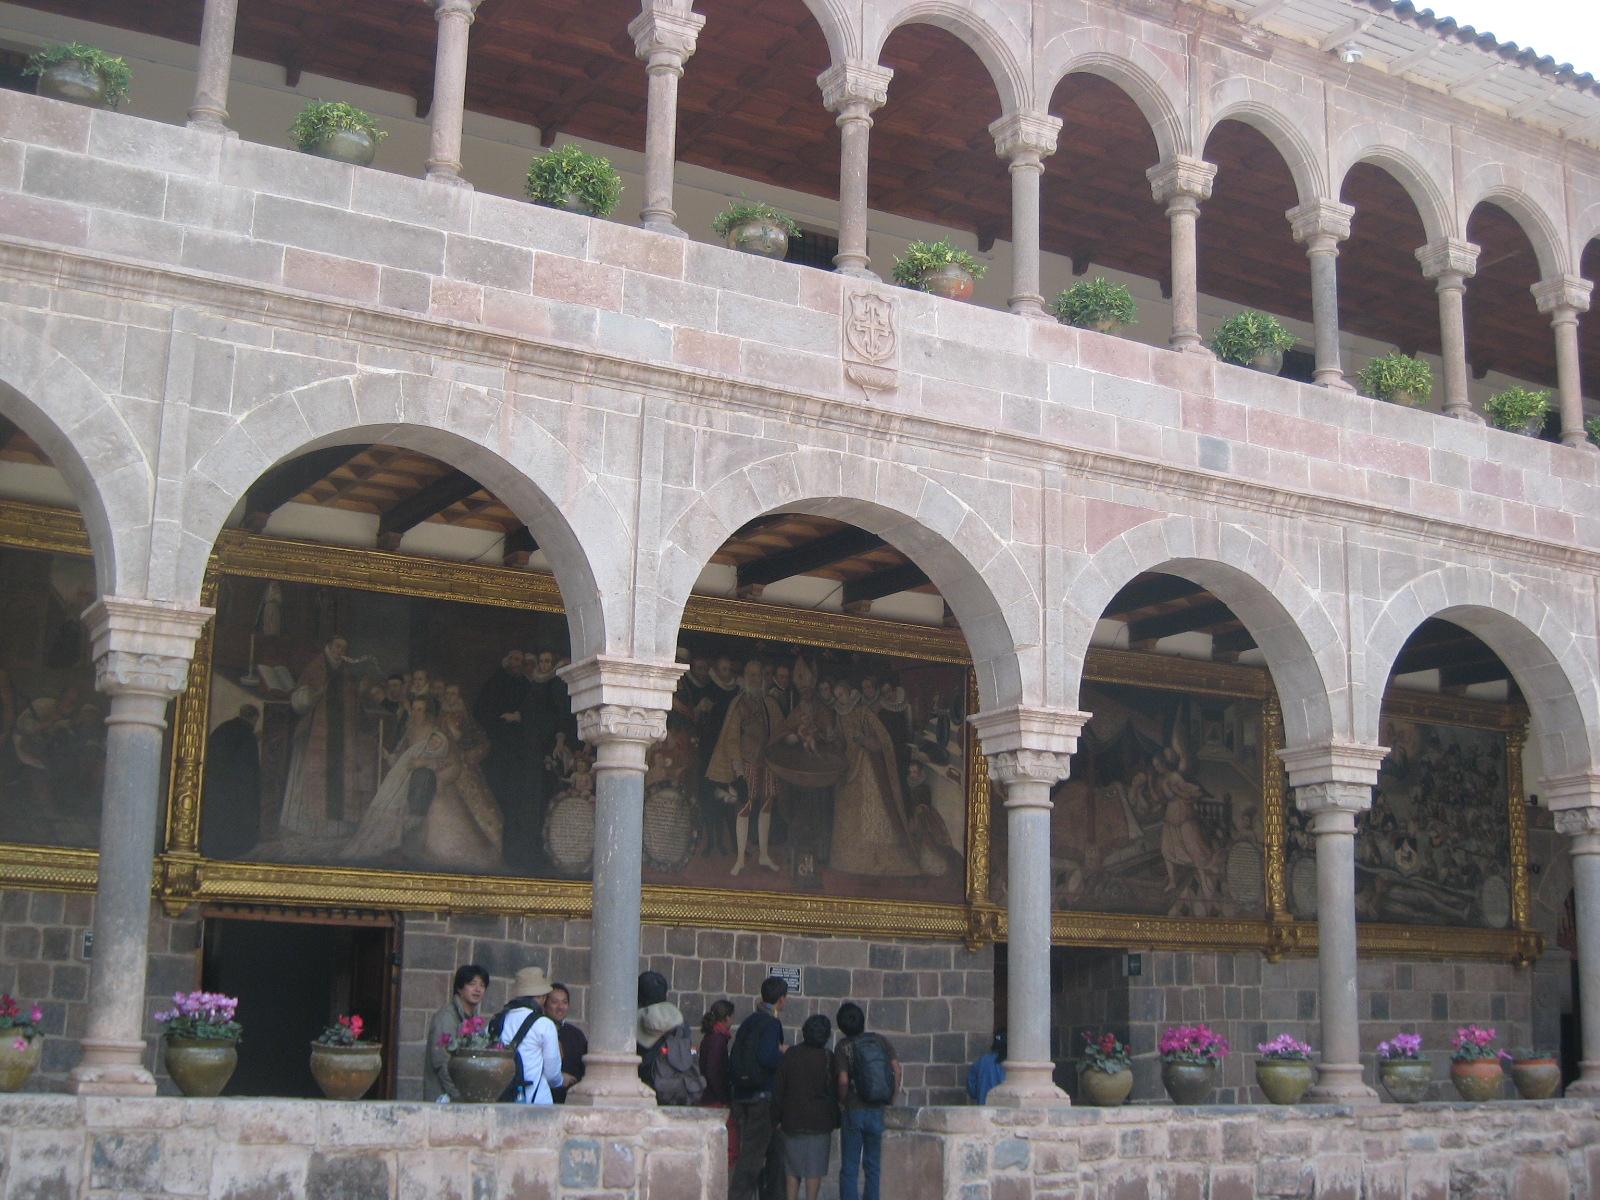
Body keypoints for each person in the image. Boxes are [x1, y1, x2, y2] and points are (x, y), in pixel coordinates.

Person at [729, 975, 788, 1200]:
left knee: (775, 1152)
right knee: (752, 1157)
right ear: (781, 999)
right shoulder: (771, 1023)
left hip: (743, 1094)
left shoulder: (750, 1021)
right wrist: (783, 1053)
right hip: (761, 1098)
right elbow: (767, 1057)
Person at [833, 1002, 900, 1200]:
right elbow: (896, 1069)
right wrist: (892, 1097)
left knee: (850, 1167)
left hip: (854, 1109)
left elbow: (843, 1080)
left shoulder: (843, 1046)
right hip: (878, 1108)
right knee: (873, 1166)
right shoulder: (880, 1040)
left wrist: (842, 1101)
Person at [773, 1014, 838, 1200]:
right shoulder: (828, 1057)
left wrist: (776, 1117)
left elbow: (779, 1088)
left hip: (792, 1119)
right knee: (814, 1170)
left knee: (792, 1169)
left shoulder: (791, 1054)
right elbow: (833, 1091)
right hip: (820, 1121)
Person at [497, 966, 564, 1105]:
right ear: (541, 997)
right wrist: (561, 1081)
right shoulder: (544, 1024)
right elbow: (552, 1074)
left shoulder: (498, 1020)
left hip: (502, 1100)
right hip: (537, 1102)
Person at [424, 964, 488, 1102]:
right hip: (444, 1098)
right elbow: (441, 1062)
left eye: (482, 985)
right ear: (459, 988)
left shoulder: (474, 1019)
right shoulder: (446, 1017)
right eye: (472, 984)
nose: (478, 989)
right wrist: (459, 1096)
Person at [699, 999, 738, 1167]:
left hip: (709, 1096)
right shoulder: (718, 1039)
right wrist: (723, 1098)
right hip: (715, 1099)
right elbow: (713, 1070)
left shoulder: (711, 1037)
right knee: (730, 1146)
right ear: (727, 1018)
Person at [546, 982, 587, 1103]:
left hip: (571, 1100)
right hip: (544, 1099)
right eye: (554, 1002)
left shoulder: (576, 1035)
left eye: (564, 1002)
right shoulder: (538, 1031)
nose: (560, 1007)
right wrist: (559, 1078)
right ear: (544, 1004)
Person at [966, 1030, 1006, 1105]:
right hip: (1003, 1107)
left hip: (983, 1105)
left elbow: (971, 1087)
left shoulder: (982, 1061)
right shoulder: (1008, 1064)